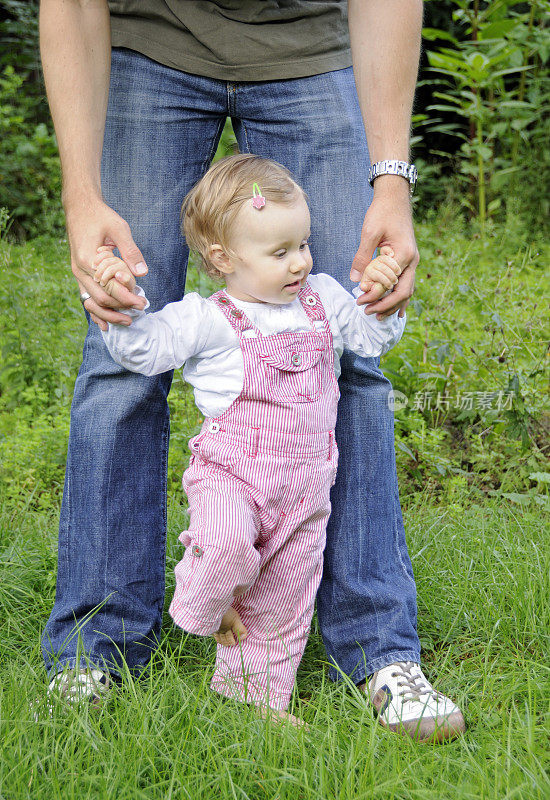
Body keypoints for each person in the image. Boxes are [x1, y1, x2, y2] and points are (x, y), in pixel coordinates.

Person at [39, 0, 466, 741]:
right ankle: (94, 646)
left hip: (311, 51)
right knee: (116, 360)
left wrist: (391, 181)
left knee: (353, 364)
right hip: (147, 44)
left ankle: (380, 649)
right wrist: (82, 195)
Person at [96, 153, 406, 723]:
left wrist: (383, 298)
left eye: (303, 245)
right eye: (280, 253)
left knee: (285, 600)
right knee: (226, 544)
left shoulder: (324, 298)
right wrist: (118, 314)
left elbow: (367, 339)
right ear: (223, 258)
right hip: (234, 475)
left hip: (307, 488)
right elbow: (147, 350)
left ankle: (252, 698)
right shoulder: (210, 319)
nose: (300, 263)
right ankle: (204, 607)